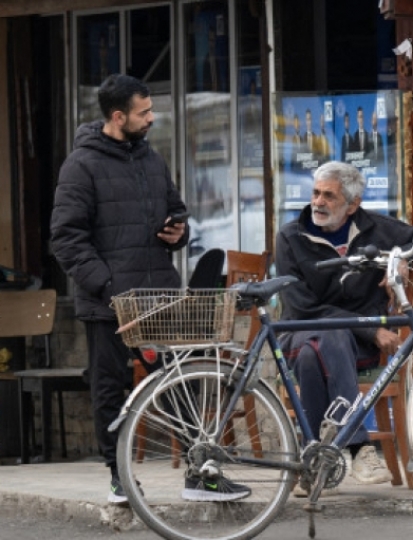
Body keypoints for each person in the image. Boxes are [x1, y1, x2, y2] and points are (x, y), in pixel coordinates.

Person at [51, 74, 248, 505]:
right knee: (109, 386)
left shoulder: (151, 160)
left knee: (183, 383)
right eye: (144, 112)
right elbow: (65, 238)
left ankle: (202, 475)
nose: (151, 118)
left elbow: (176, 211)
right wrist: (106, 284)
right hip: (110, 302)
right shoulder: (80, 165)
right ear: (118, 116)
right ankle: (119, 477)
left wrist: (177, 231)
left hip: (159, 293)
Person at [275, 161, 413, 485]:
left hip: (358, 348)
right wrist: (369, 328)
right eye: (316, 193)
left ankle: (315, 462)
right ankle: (359, 448)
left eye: (329, 196)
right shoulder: (290, 237)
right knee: (326, 340)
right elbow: (304, 308)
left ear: (353, 205)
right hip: (300, 332)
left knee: (320, 351)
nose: (318, 202)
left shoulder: (377, 230)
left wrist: (402, 257)